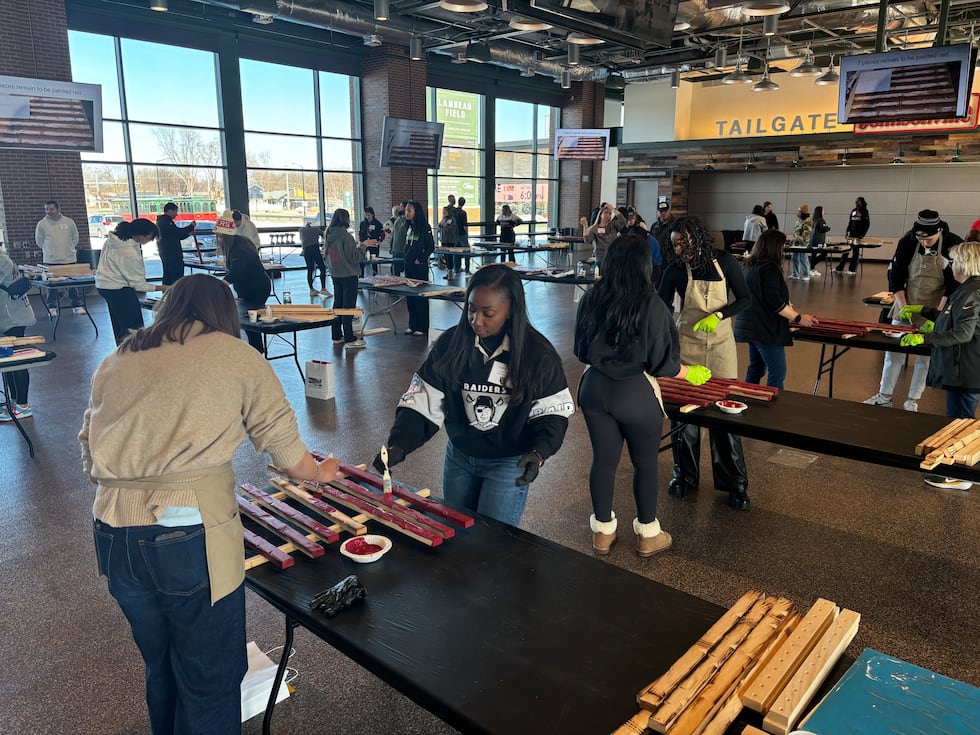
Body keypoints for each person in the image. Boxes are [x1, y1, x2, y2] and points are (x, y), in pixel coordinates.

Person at [79, 273, 338, 735]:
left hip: (112, 531)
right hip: (186, 535)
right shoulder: (236, 355)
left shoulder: (120, 355)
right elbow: (287, 454)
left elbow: (88, 445)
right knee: (211, 680)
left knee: (162, 666)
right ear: (225, 313)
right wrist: (322, 473)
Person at [374, 264, 574, 526]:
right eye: (471, 309)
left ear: (511, 309)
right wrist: (400, 442)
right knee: (455, 530)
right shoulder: (451, 345)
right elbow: (423, 400)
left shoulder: (538, 355)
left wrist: (539, 452)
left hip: (507, 463)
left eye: (488, 313)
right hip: (460, 457)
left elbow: (552, 412)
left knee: (492, 543)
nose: (476, 321)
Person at [574, 235, 711, 556]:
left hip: (593, 389)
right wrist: (691, 373)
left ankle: (603, 534)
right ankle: (648, 533)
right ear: (644, 266)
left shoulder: (591, 298)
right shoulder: (653, 304)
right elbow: (664, 365)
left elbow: (580, 350)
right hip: (635, 392)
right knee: (646, 463)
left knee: (604, 463)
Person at [659, 216, 753, 511]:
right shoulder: (675, 270)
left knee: (725, 413)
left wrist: (719, 316)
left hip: (721, 344)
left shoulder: (724, 261)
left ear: (696, 239)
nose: (677, 249)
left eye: (681, 243)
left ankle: (735, 483)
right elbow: (660, 307)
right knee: (685, 413)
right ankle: (685, 475)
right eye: (673, 244)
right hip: (688, 345)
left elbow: (745, 299)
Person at [900, 241, 980, 490]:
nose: (952, 266)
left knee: (963, 422)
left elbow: (964, 333)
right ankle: (953, 469)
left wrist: (926, 338)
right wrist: (926, 312)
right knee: (956, 420)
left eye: (955, 262)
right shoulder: (965, 288)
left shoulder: (972, 292)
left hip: (966, 369)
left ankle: (962, 476)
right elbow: (951, 316)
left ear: (965, 265)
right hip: (959, 369)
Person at [865, 210, 962, 412]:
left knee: (924, 356)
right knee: (894, 351)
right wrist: (903, 306)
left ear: (940, 231)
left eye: (929, 239)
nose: (924, 242)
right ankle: (884, 395)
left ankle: (913, 400)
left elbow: (954, 284)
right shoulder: (908, 242)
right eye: (920, 238)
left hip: (937, 303)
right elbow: (896, 274)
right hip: (908, 300)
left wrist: (937, 315)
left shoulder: (953, 243)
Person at [735, 229, 817, 390]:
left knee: (756, 368)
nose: (783, 250)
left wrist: (788, 305)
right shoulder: (769, 268)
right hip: (766, 329)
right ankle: (773, 406)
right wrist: (799, 317)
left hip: (752, 326)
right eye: (782, 246)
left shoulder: (750, 266)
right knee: (777, 371)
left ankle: (747, 398)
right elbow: (774, 301)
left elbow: (764, 295)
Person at [96, 218, 168, 345]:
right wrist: (165, 288)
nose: (151, 240)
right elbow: (139, 285)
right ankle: (133, 355)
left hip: (104, 285)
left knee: (120, 324)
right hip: (118, 289)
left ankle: (121, 353)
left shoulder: (113, 240)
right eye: (151, 237)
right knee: (134, 328)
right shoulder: (129, 251)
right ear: (141, 235)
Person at [215, 211, 271, 353]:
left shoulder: (238, 249)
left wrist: (219, 285)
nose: (218, 240)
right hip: (250, 286)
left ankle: (257, 351)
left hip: (255, 288)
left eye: (220, 237)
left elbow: (236, 272)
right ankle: (256, 350)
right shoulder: (240, 243)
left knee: (251, 321)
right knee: (250, 320)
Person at [0, 248, 36, 422]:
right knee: (8, 361)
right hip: (11, 315)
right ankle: (14, 402)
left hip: (13, 317)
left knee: (17, 361)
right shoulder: (3, 257)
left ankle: (22, 405)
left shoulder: (1, 261)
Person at [324, 208, 366, 350]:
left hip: (336, 274)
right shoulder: (346, 237)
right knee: (348, 307)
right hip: (348, 274)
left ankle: (336, 335)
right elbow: (354, 258)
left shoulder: (328, 235)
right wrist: (363, 247)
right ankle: (349, 337)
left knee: (338, 304)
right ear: (346, 219)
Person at [35, 200, 83, 315]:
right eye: (47, 209)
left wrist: (68, 249)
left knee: (72, 284)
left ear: (58, 209)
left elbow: (75, 238)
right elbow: (39, 241)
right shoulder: (42, 224)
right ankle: (52, 307)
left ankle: (76, 305)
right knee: (52, 286)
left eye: (51, 209)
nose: (49, 212)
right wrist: (50, 251)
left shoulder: (69, 222)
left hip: (69, 259)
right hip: (51, 260)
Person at [403, 200, 434, 336]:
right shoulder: (409, 226)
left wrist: (420, 259)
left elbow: (430, 246)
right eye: (406, 210)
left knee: (420, 296)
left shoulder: (424, 227)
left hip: (419, 267)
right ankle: (412, 325)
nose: (407, 213)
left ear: (416, 212)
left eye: (409, 210)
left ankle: (422, 327)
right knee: (410, 296)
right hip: (408, 265)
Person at [155, 202, 196, 286]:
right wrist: (190, 227)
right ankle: (176, 293)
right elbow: (177, 233)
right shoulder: (166, 221)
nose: (176, 214)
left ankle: (167, 293)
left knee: (168, 274)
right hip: (172, 254)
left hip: (165, 253)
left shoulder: (161, 221)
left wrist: (187, 234)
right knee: (176, 276)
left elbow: (175, 236)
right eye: (175, 211)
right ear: (170, 211)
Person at [579, 203, 626, 267]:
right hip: (600, 259)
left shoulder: (613, 225)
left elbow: (622, 221)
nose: (608, 215)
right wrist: (585, 226)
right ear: (600, 214)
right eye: (606, 213)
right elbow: (587, 240)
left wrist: (613, 209)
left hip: (614, 257)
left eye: (610, 214)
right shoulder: (593, 228)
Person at [835, 196, 870, 275]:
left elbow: (867, 224)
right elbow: (850, 222)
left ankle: (852, 270)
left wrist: (862, 234)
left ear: (862, 202)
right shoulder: (853, 211)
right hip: (851, 234)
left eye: (858, 201)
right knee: (845, 251)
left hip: (858, 235)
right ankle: (839, 268)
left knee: (855, 253)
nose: (857, 202)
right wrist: (847, 231)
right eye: (856, 201)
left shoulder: (865, 211)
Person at [299, 222, 330, 297]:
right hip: (315, 249)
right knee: (322, 268)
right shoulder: (316, 229)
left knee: (310, 269)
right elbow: (325, 235)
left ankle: (311, 289)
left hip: (306, 250)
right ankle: (323, 289)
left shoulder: (301, 230)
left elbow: (301, 239)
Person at [789, 205, 813, 281]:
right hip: (796, 242)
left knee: (803, 258)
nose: (797, 212)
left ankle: (806, 275)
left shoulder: (808, 221)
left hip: (803, 242)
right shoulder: (799, 220)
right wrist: (794, 240)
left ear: (802, 212)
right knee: (795, 258)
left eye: (798, 211)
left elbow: (807, 232)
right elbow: (796, 231)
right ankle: (795, 274)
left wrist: (799, 239)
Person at [359, 206, 384, 277]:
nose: (367, 216)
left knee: (374, 261)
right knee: (362, 260)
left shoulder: (377, 223)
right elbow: (360, 233)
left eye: (369, 215)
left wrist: (380, 241)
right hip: (365, 244)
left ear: (372, 214)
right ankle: (361, 276)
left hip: (374, 244)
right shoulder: (362, 224)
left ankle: (375, 275)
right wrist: (361, 241)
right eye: (366, 215)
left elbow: (382, 234)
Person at [650, 201, 676, 269]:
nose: (663, 213)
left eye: (665, 211)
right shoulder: (654, 226)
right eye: (661, 211)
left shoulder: (675, 224)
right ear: (657, 213)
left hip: (668, 260)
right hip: (656, 261)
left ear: (669, 211)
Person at [808, 205, 831, 277]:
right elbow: (822, 229)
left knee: (814, 254)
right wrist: (828, 228)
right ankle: (811, 266)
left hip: (813, 240)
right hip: (818, 241)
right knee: (823, 254)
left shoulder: (813, 219)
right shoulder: (821, 220)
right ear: (820, 212)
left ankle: (811, 268)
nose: (824, 212)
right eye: (823, 210)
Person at [439, 204, 461, 278]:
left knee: (449, 256)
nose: (443, 213)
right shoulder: (444, 218)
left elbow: (452, 229)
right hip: (444, 239)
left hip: (449, 240)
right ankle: (448, 271)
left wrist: (446, 227)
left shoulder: (452, 219)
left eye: (445, 211)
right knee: (446, 256)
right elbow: (442, 226)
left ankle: (451, 272)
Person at [388, 202, 408, 277]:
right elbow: (394, 234)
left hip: (403, 249)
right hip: (395, 249)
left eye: (401, 206)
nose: (399, 208)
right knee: (395, 271)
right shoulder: (398, 219)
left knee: (404, 269)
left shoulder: (407, 220)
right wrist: (391, 246)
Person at [456, 196, 471, 274]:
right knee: (466, 251)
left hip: (455, 235)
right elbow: (465, 225)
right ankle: (467, 269)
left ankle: (457, 268)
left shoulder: (453, 211)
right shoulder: (463, 213)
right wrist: (467, 234)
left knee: (456, 252)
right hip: (462, 234)